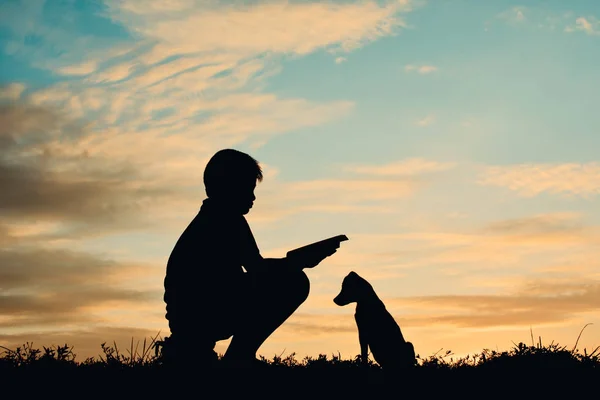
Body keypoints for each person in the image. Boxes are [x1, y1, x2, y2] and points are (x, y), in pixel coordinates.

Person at [162, 148, 339, 369]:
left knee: (290, 277)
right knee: (295, 282)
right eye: (248, 189)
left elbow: (256, 269)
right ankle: (239, 357)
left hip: (191, 317)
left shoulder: (212, 219)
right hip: (203, 313)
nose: (253, 197)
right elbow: (258, 270)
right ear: (229, 187)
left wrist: (293, 262)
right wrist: (296, 263)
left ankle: (210, 353)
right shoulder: (227, 220)